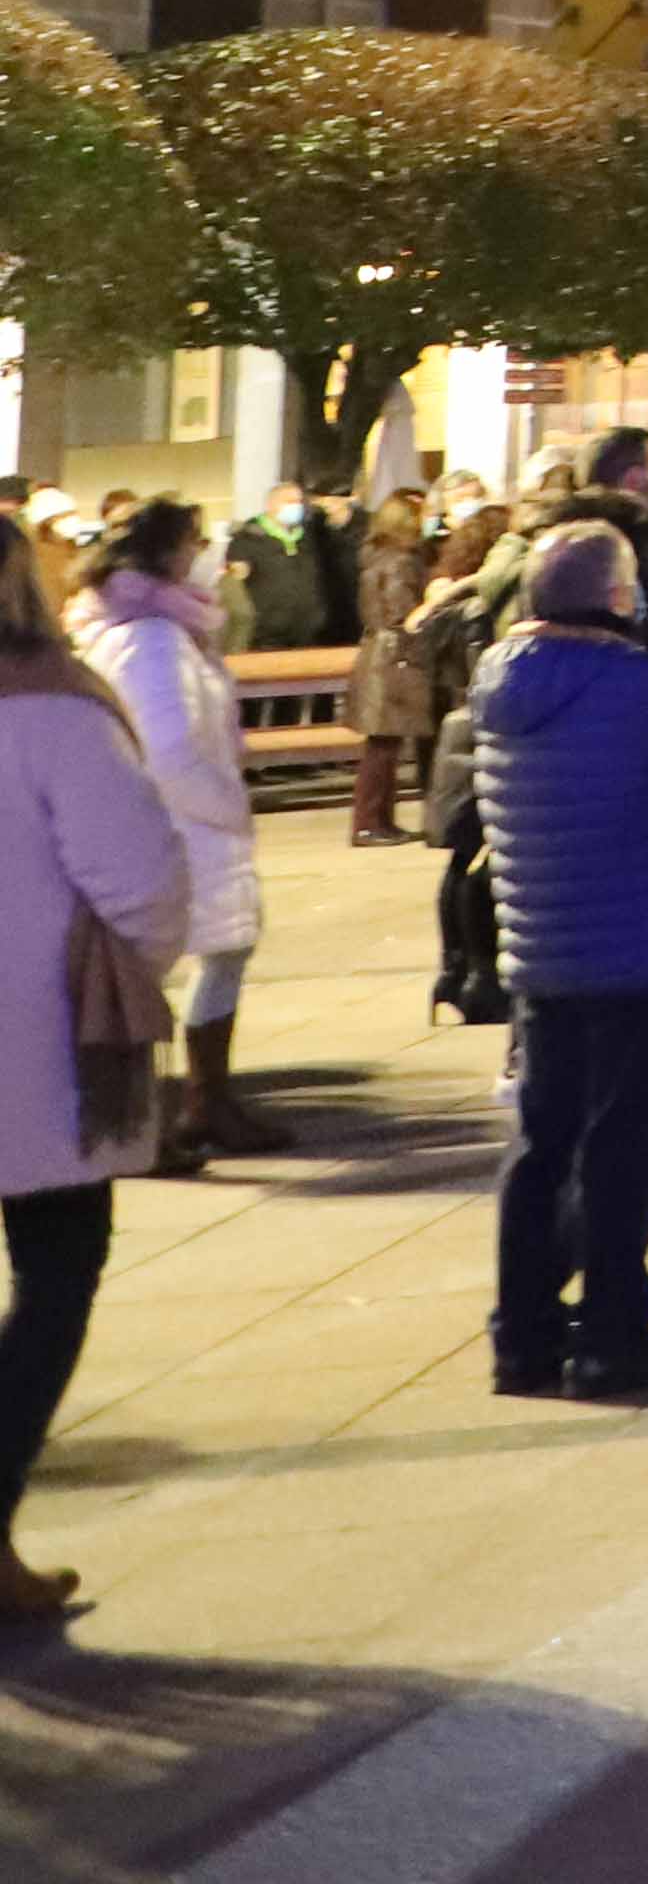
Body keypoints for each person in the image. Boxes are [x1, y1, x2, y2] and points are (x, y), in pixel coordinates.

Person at [476, 519, 648, 1398]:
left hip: (540, 945)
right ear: (621, 597)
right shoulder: (633, 682)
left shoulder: (499, 679)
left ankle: (522, 1335)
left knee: (541, 1144)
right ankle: (613, 1334)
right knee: (623, 1151)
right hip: (635, 947)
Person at [1, 523, 190, 1621]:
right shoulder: (54, 710)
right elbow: (142, 875)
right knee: (58, 1266)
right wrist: (126, 970)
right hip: (34, 1041)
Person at [73, 508, 272, 1170]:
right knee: (168, 968)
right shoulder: (154, 636)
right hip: (180, 827)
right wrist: (224, 808)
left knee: (207, 957)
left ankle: (198, 1103)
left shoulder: (145, 624)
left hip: (170, 822)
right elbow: (169, 744)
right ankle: (171, 1114)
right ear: (169, 556)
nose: (208, 553)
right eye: (197, 542)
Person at [346, 491, 438, 846]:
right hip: (393, 660)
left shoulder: (377, 556)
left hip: (381, 655)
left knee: (384, 747)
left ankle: (381, 821)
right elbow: (402, 611)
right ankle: (369, 823)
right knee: (382, 750)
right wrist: (433, 605)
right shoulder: (399, 560)